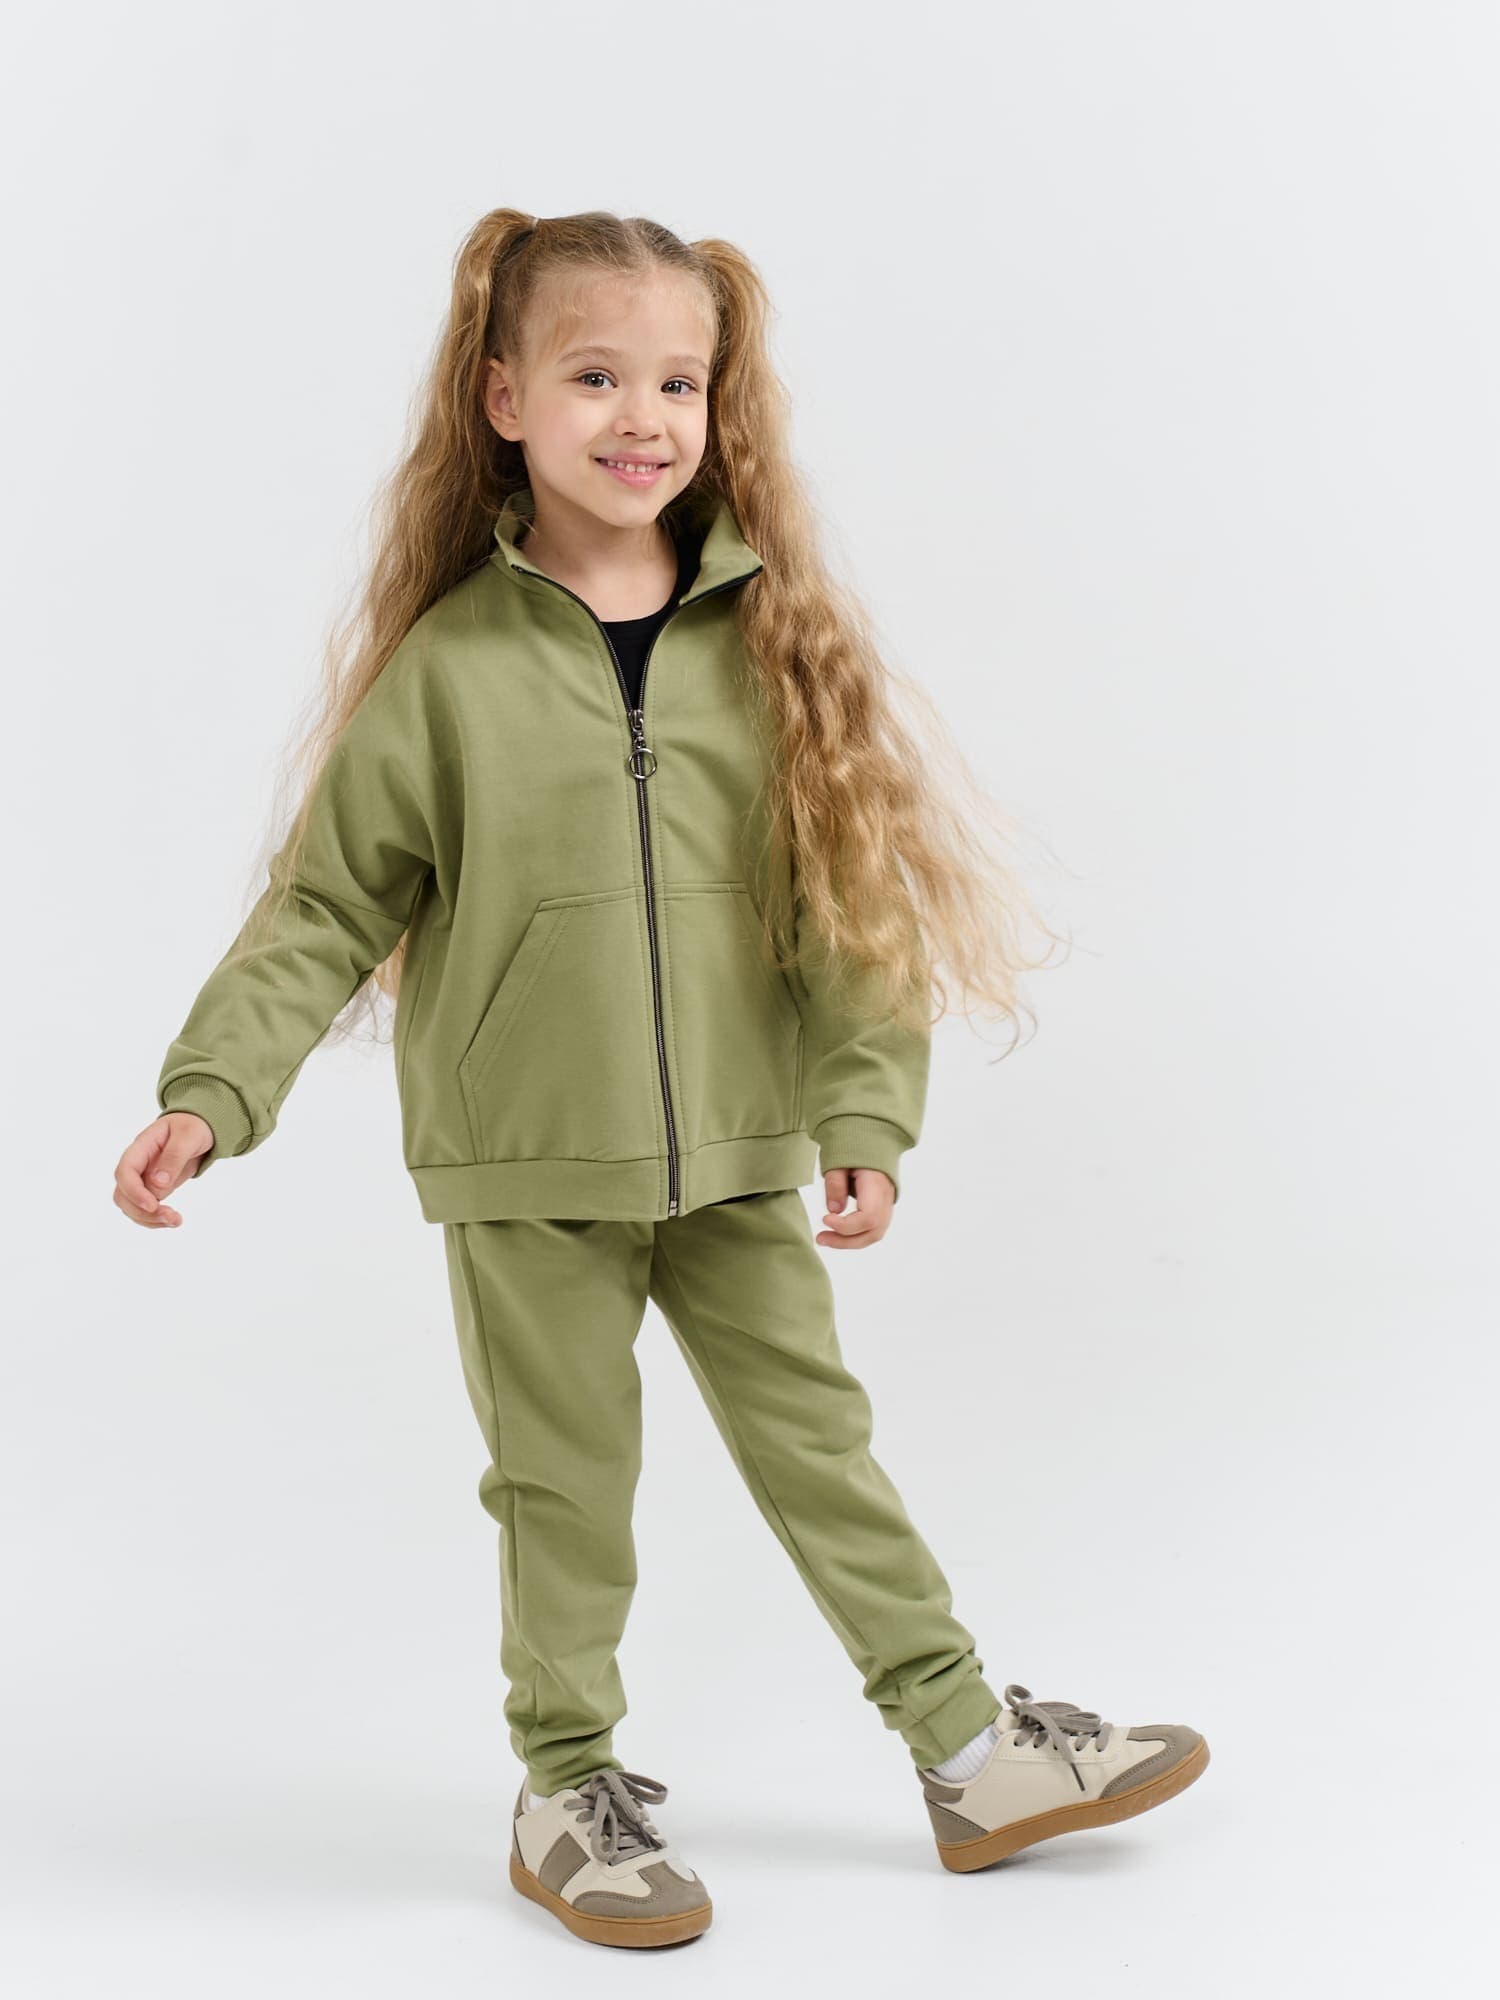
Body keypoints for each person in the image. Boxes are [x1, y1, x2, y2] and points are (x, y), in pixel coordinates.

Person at [113, 208, 1209, 1951]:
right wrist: (213, 1091)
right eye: (596, 375)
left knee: (822, 1452)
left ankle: (971, 1757)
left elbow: (850, 907)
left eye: (680, 382)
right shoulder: (450, 670)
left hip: (741, 1154)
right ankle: (569, 1793)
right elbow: (325, 904)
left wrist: (863, 1112)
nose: (643, 416)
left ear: (719, 405)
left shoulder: (774, 649)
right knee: (565, 1488)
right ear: (504, 399)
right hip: (528, 1162)